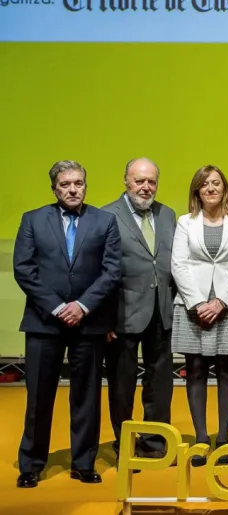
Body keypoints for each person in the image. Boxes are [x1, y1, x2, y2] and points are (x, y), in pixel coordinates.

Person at [13, 160, 121, 488]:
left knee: (86, 396)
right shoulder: (32, 220)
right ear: (54, 188)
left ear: (86, 185)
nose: (73, 189)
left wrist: (83, 306)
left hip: (89, 323)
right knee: (38, 397)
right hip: (44, 322)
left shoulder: (105, 221)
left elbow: (112, 270)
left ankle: (83, 463)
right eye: (65, 184)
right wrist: (60, 307)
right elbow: (24, 269)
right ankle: (31, 464)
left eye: (78, 183)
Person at [171, 165, 228, 466]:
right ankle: (201, 438)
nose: (211, 188)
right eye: (205, 184)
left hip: (227, 307)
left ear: (224, 188)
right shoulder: (184, 222)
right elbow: (179, 264)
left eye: (216, 183)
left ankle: (224, 437)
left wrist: (221, 301)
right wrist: (199, 303)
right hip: (193, 308)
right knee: (197, 370)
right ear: (197, 191)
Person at [102, 158, 177, 461]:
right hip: (122, 314)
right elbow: (100, 270)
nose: (146, 187)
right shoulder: (106, 215)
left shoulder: (168, 214)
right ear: (126, 181)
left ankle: (156, 441)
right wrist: (103, 317)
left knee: (160, 382)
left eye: (151, 181)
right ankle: (126, 443)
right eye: (139, 181)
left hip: (162, 311)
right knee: (122, 383)